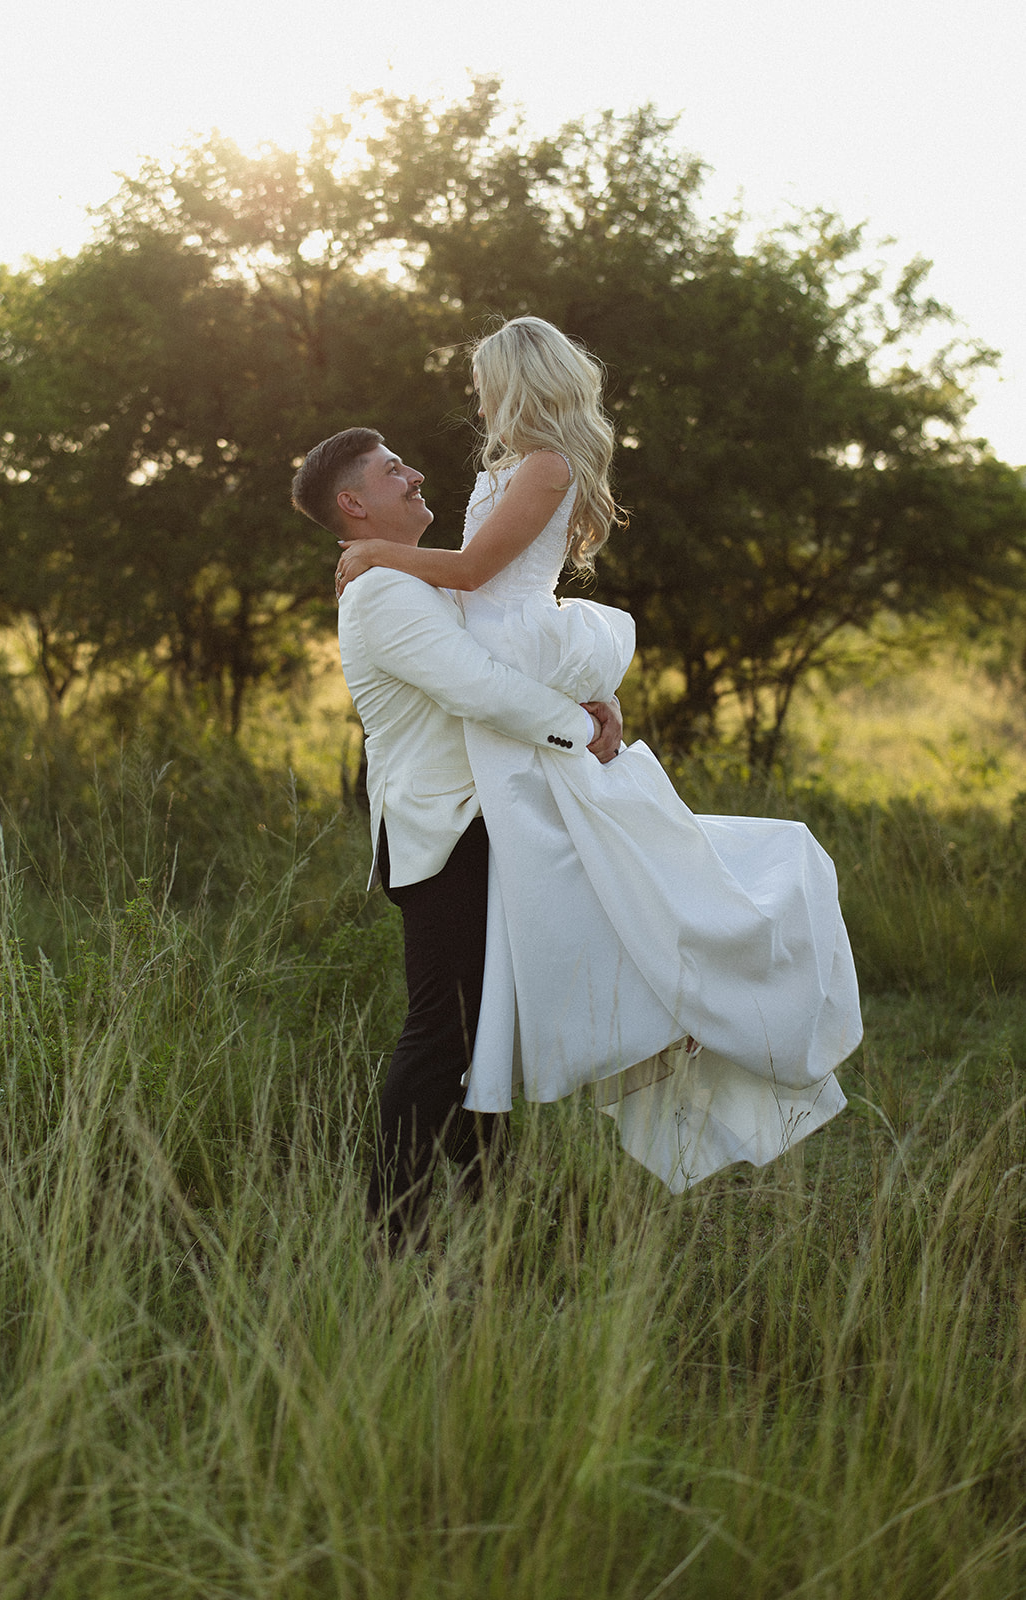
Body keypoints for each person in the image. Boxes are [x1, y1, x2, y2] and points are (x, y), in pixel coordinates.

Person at [333, 317, 863, 1192]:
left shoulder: (544, 466)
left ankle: (677, 993)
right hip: (489, 701)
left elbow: (470, 574)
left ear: (516, 383)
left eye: (482, 383)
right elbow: (466, 611)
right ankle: (647, 1005)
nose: (475, 399)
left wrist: (382, 551)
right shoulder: (507, 472)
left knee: (587, 874)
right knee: (529, 932)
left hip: (507, 652)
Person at [291, 428, 623, 1251]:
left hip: (481, 828)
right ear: (352, 504)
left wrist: (596, 695)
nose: (414, 473)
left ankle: (495, 1206)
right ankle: (392, 1233)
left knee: (482, 1029)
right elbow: (478, 689)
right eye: (391, 468)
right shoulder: (381, 593)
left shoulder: (415, 580)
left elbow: (513, 657)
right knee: (443, 1031)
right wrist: (579, 731)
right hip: (439, 836)